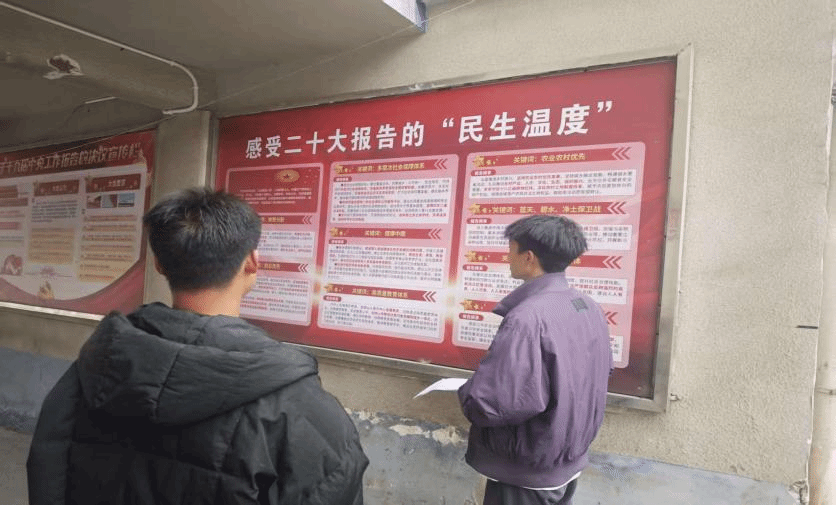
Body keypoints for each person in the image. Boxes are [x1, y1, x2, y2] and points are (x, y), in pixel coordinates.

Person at [27, 187, 368, 505]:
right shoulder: (305, 411)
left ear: (159, 264)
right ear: (252, 261)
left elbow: (47, 470)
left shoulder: (93, 371)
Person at [458, 215, 613, 505]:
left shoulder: (527, 317)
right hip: (566, 458)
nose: (507, 258)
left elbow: (497, 402)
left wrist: (468, 392)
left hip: (527, 470)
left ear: (528, 258)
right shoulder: (586, 305)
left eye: (511, 250)